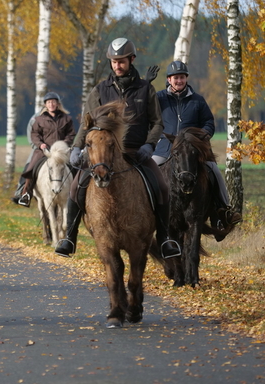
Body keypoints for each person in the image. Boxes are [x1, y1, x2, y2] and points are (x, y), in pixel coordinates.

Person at [54, 38, 181, 259]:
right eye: (113, 62)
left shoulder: (145, 89)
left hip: (136, 152)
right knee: (76, 186)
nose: (117, 65)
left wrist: (149, 145)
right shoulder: (100, 90)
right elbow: (88, 123)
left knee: (161, 186)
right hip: (103, 153)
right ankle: (69, 237)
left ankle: (165, 238)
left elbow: (157, 123)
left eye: (121, 61)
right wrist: (76, 148)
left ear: (131, 60)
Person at [153, 60, 242, 241]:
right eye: (176, 77)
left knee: (213, 170)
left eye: (182, 77)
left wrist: (204, 136)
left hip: (193, 151)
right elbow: (143, 108)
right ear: (169, 80)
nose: (179, 80)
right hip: (165, 148)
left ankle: (223, 211)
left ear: (186, 79)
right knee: (150, 169)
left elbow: (208, 122)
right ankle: (144, 212)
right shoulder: (159, 98)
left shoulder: (197, 100)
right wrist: (146, 84)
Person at [15, 91, 75, 207]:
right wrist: (40, 144)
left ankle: (77, 195)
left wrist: (65, 143)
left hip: (61, 152)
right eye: (48, 102)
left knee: (76, 166)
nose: (51, 104)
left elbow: (71, 134)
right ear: (45, 105)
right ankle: (25, 194)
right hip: (44, 151)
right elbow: (34, 135)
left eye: (53, 102)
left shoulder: (67, 119)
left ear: (57, 104)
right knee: (30, 168)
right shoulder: (39, 119)